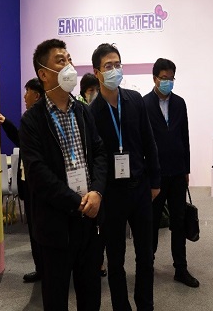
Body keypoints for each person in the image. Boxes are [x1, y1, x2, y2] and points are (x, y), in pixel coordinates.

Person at [20, 38, 107, 311]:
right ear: (43, 74)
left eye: (69, 59)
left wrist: (97, 191)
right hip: (55, 225)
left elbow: (99, 153)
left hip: (89, 221)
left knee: (90, 296)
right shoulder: (32, 121)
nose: (69, 65)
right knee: (56, 298)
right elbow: (37, 173)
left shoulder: (83, 111)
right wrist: (75, 201)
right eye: (60, 60)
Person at [89, 43, 161, 311]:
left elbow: (149, 142)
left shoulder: (135, 101)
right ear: (97, 72)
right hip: (112, 194)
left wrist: (155, 182)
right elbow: (93, 158)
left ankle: (145, 304)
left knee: (145, 255)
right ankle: (121, 306)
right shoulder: (91, 113)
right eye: (108, 66)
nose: (115, 70)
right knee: (116, 258)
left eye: (118, 64)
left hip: (140, 188)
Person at [143, 58, 199, 288]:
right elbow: (142, 141)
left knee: (178, 221)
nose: (167, 82)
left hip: (177, 173)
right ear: (154, 78)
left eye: (171, 78)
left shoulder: (180, 103)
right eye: (163, 78)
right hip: (154, 176)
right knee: (152, 222)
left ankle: (180, 269)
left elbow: (185, 137)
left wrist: (186, 169)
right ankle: (147, 265)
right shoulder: (144, 104)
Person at [0, 77, 45, 283]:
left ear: (37, 95)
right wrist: (6, 123)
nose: (24, 96)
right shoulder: (29, 118)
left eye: (27, 92)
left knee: (41, 228)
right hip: (28, 183)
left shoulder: (41, 118)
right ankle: (41, 268)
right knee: (34, 228)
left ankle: (48, 269)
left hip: (40, 184)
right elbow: (20, 141)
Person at [75, 72, 107, 277]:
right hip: (80, 174)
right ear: (83, 92)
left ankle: (99, 261)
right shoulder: (78, 110)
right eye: (90, 90)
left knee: (99, 222)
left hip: (98, 175)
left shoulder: (102, 108)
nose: (94, 93)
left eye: (97, 89)